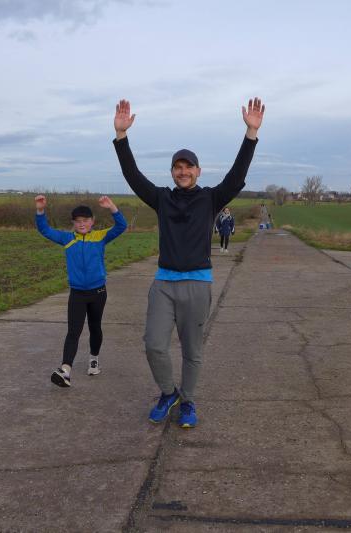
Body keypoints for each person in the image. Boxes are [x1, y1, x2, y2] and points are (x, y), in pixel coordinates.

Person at [112, 97, 265, 428]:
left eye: (188, 167)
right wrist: (121, 137)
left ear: (198, 171)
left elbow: (237, 175)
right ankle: (169, 393)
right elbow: (132, 175)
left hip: (197, 285)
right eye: (177, 167)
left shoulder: (211, 198)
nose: (183, 172)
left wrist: (251, 133)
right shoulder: (162, 198)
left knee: (192, 352)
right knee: (154, 345)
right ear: (172, 172)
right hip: (164, 285)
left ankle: (189, 401)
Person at [34, 194, 127, 387]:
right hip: (77, 293)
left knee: (95, 327)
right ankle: (65, 370)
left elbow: (121, 226)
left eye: (85, 220)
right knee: (73, 331)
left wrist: (112, 207)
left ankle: (94, 359)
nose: (82, 224)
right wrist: (40, 210)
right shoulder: (67, 239)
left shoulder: (100, 237)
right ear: (73, 223)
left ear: (92, 221)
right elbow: (45, 229)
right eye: (77, 221)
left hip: (98, 292)